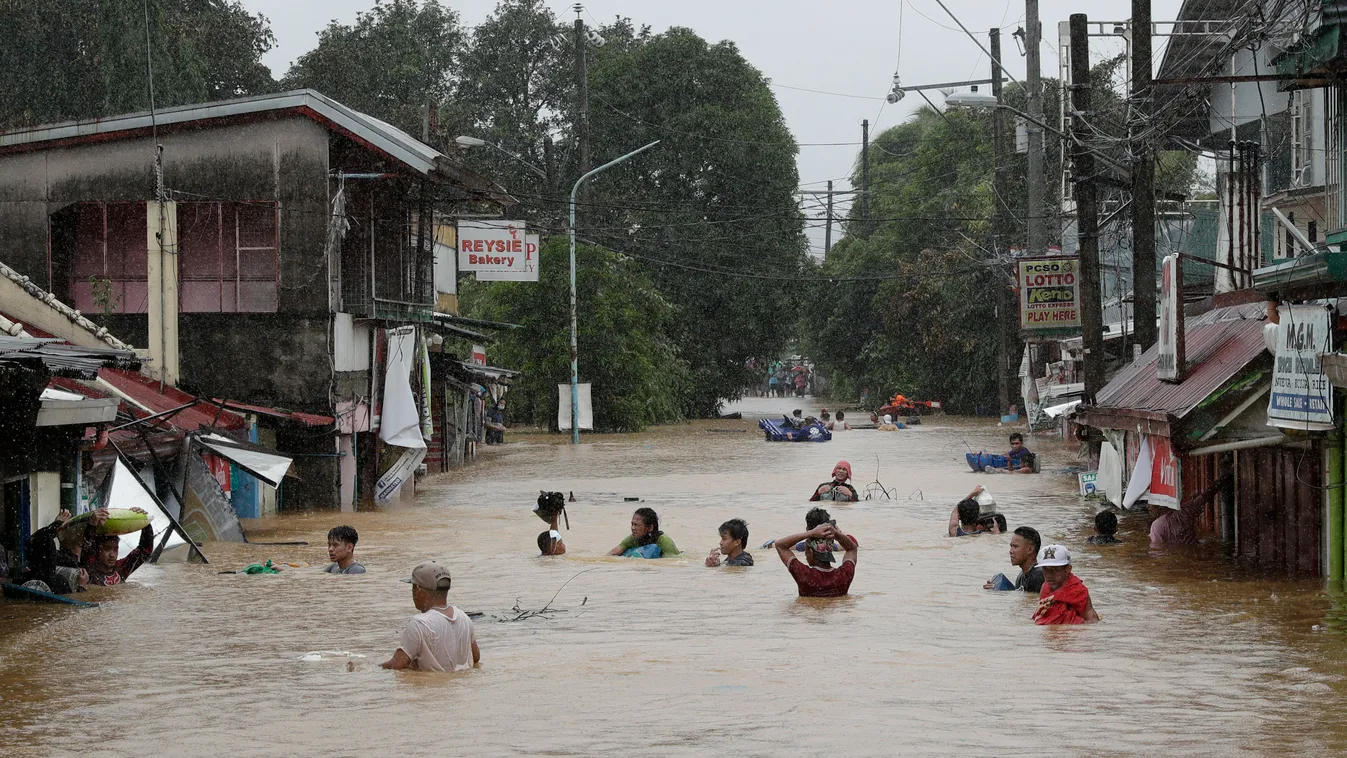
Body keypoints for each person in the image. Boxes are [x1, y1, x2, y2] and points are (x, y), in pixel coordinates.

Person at [381, 562, 480, 672]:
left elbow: (397, 665)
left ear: (419, 591)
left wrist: (370, 667)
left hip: (434, 688)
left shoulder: (419, 623)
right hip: (462, 686)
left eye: (413, 588)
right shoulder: (464, 617)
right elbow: (476, 657)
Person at [774, 520, 857, 597]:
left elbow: (780, 545)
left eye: (806, 552)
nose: (806, 556)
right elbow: (852, 548)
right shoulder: (844, 575)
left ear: (811, 552)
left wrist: (810, 533)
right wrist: (836, 534)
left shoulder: (804, 575)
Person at [1032, 545, 1100, 625]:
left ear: (1067, 569)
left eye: (1054, 570)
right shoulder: (1045, 586)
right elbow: (1040, 613)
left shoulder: (1078, 590)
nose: (1049, 575)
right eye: (1045, 569)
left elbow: (1093, 621)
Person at [86, 508, 154, 586]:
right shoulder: (89, 569)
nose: (112, 555)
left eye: (115, 549)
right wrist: (91, 526)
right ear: (97, 550)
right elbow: (87, 547)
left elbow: (144, 551)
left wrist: (144, 522)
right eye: (107, 549)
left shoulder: (121, 569)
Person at [984, 526, 1044, 592]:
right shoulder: (1021, 576)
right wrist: (998, 589)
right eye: (1011, 546)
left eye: (1015, 546)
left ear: (1030, 549)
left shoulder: (1038, 576)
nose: (1010, 551)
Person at [608, 507, 680, 558]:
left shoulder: (664, 541)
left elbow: (672, 563)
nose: (633, 528)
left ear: (650, 528)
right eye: (632, 524)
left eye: (636, 525)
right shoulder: (633, 538)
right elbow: (613, 553)